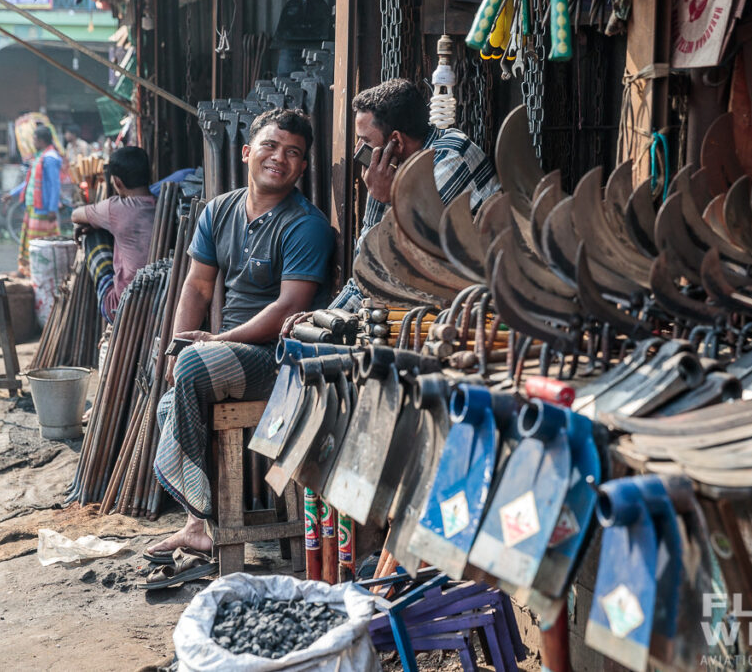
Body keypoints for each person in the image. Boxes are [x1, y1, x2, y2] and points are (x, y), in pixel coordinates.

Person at [146, 107, 334, 558]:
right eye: (270, 146)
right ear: (248, 151)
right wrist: (180, 343)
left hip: (281, 359)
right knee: (171, 395)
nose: (279, 158)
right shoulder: (219, 210)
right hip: (230, 353)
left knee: (193, 363)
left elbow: (290, 306)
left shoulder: (306, 225)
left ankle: (200, 523)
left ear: (302, 168)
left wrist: (216, 343)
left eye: (293, 153)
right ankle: (200, 524)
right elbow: (197, 284)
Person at [284, 78, 499, 331]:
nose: (358, 150)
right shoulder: (401, 170)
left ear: (395, 141)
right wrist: (331, 318)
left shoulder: (450, 159)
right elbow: (366, 270)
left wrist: (380, 197)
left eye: (365, 140)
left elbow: (386, 265)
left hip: (476, 311)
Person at [70, 146, 156, 322]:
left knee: (93, 236)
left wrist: (94, 226)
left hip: (121, 306)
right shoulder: (163, 204)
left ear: (117, 182)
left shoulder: (114, 208)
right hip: (159, 301)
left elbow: (75, 215)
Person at [5, 125, 62, 277]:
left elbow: (55, 186)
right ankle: (27, 270)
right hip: (33, 208)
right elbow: (29, 182)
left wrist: (52, 208)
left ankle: (40, 272)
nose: (33, 142)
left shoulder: (50, 158)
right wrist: (12, 194)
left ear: (41, 140)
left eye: (35, 139)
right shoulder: (40, 156)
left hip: (43, 209)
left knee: (41, 244)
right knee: (30, 241)